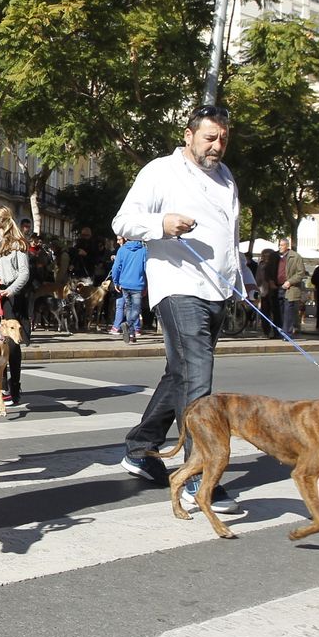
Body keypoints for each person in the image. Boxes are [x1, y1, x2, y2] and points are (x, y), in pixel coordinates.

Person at [111, 104, 245, 515]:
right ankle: (198, 477)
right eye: (209, 137)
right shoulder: (160, 171)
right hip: (178, 286)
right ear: (188, 135)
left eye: (223, 139)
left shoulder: (226, 177)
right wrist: (162, 225)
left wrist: (242, 280)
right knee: (198, 376)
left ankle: (140, 449)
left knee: (181, 373)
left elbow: (229, 236)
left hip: (218, 290)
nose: (216, 146)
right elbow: (123, 222)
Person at [0, 205, 30, 409]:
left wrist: (10, 290)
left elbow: (24, 273)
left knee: (12, 343)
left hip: (12, 297)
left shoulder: (19, 244)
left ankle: (14, 388)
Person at [110, 235, 147, 343]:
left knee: (129, 308)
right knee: (136, 309)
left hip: (125, 283)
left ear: (126, 238)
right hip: (138, 284)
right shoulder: (143, 250)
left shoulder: (122, 250)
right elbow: (146, 268)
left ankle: (131, 334)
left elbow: (116, 267)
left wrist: (116, 281)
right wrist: (147, 284)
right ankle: (128, 325)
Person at [278, 235, 309, 337]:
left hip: (290, 288)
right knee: (280, 311)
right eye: (279, 245)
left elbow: (301, 272)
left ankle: (287, 333)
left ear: (287, 246)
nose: (280, 247)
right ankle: (281, 331)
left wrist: (290, 281)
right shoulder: (277, 256)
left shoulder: (295, 257)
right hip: (278, 287)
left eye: (282, 245)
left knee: (289, 311)